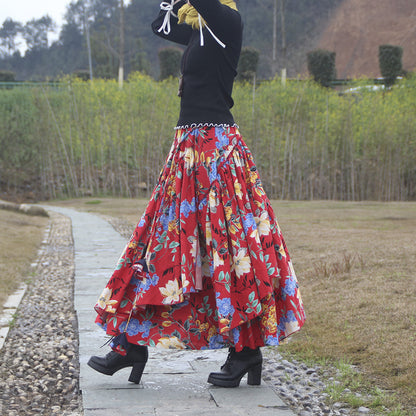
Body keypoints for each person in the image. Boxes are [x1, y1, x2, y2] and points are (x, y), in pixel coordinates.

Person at [88, 0, 305, 388]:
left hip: (217, 152)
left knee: (232, 251)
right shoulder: (198, 29)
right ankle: (131, 344)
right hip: (187, 152)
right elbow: (160, 23)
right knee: (163, 246)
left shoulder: (227, 21)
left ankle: (245, 350)